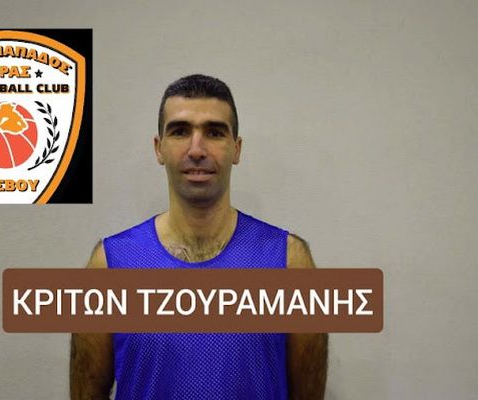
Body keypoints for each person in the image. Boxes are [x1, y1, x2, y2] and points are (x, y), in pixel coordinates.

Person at [70, 74, 328, 399]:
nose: (196, 150)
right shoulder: (109, 265)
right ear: (159, 148)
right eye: (179, 131)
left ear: (236, 148)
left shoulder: (290, 263)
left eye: (214, 132)